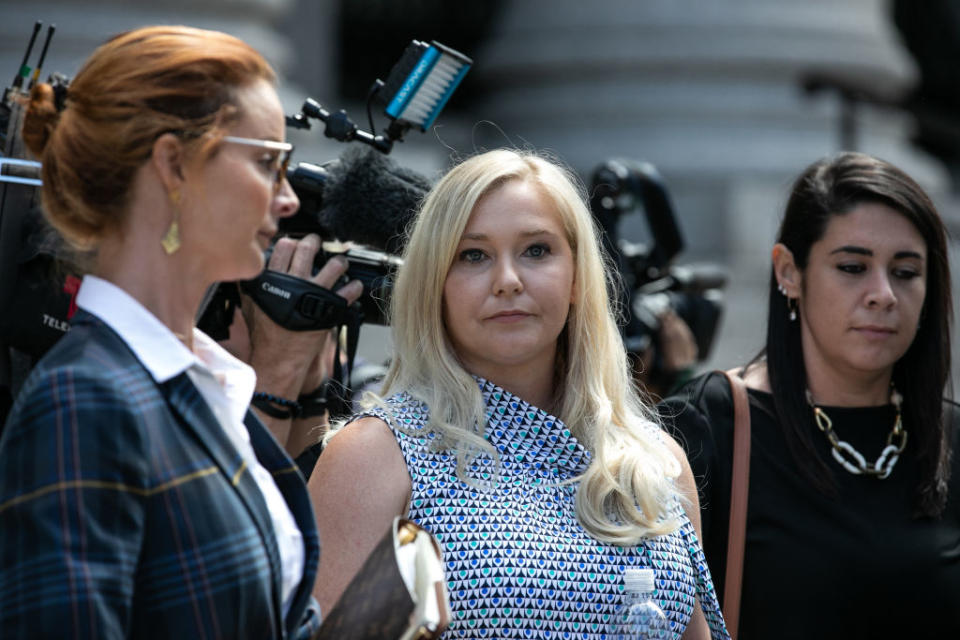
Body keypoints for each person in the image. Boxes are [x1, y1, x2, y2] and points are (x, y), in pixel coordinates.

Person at [0, 25, 356, 639]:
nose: (289, 197)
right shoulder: (84, 401)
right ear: (172, 164)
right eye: (269, 162)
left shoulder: (203, 380)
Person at [308, 149, 730, 639]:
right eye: (473, 255)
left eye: (536, 250)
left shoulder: (655, 461)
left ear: (577, 276)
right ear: (434, 284)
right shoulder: (375, 455)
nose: (507, 281)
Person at [660, 152, 959, 639]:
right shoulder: (709, 427)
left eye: (905, 272)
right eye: (852, 266)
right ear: (789, 273)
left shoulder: (951, 439)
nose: (882, 293)